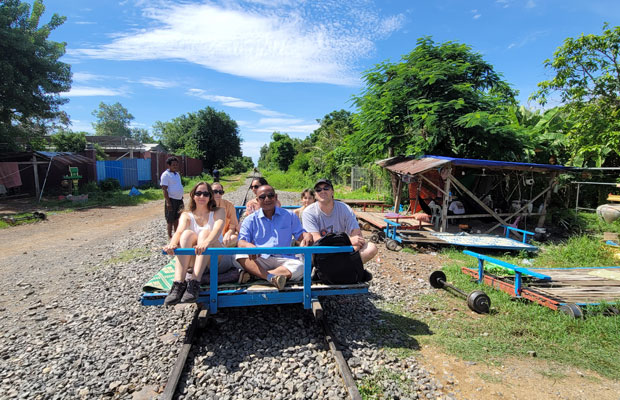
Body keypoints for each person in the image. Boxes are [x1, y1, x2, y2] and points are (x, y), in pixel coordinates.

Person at [162, 182, 237, 305]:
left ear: (210, 197)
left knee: (205, 233)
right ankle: (178, 284)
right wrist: (172, 244)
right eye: (198, 193)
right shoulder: (186, 215)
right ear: (193, 195)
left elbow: (217, 229)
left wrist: (206, 242)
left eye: (206, 194)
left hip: (218, 259)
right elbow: (179, 231)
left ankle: (194, 283)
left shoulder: (219, 211)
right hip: (195, 260)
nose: (202, 197)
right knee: (186, 234)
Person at [237, 185, 313, 290]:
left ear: (276, 197)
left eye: (270, 195)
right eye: (262, 197)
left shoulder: (289, 215)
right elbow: (241, 242)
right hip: (260, 257)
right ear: (258, 200)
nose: (267, 199)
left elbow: (300, 235)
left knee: (300, 267)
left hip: (284, 258)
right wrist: (249, 245)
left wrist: (307, 235)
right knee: (239, 254)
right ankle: (271, 277)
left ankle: (256, 275)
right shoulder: (250, 220)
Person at [302, 179, 377, 264]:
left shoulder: (345, 208)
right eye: (318, 190)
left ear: (332, 192)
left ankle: (342, 267)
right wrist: (348, 241)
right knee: (304, 246)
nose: (322, 191)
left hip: (342, 252)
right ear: (315, 195)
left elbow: (357, 236)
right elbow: (317, 241)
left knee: (371, 248)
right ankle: (333, 268)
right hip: (321, 254)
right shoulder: (309, 212)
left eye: (326, 188)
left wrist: (350, 249)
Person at [160, 157, 184, 239]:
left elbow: (178, 185)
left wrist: (180, 195)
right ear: (169, 165)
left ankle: (177, 235)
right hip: (171, 200)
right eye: (173, 165)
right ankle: (170, 236)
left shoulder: (177, 174)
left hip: (179, 199)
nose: (175, 166)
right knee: (170, 219)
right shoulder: (165, 175)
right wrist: (168, 202)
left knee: (177, 218)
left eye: (176, 165)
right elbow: (164, 189)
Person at [211, 181, 239, 246]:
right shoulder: (204, 204)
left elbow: (233, 224)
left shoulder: (228, 205)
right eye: (215, 192)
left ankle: (220, 248)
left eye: (221, 192)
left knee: (234, 238)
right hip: (208, 234)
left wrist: (228, 233)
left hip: (223, 235)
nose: (218, 194)